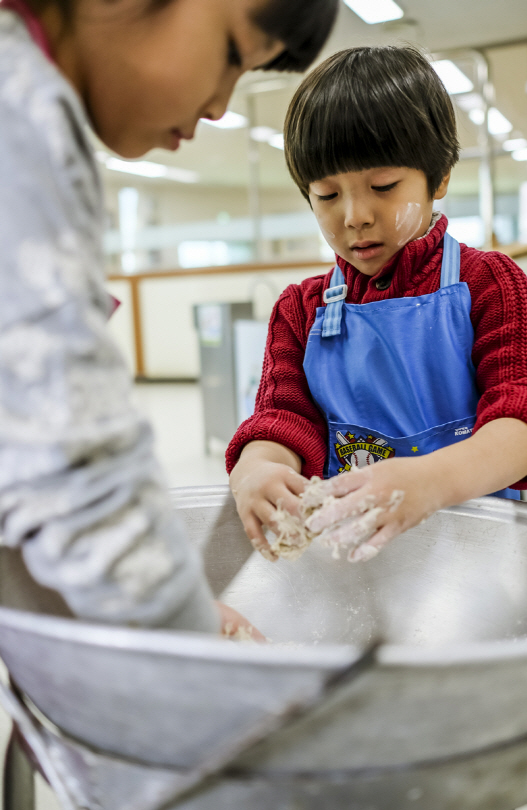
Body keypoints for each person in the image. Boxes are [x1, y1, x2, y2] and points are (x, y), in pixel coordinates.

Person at [0, 0, 338, 634]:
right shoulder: (19, 120)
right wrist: (192, 645)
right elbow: (74, 469)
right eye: (233, 54)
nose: (219, 106)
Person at [227, 46, 527, 563]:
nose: (355, 216)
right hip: (357, 559)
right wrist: (257, 468)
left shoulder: (491, 284)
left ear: (438, 178)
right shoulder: (299, 310)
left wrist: (427, 482)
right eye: (327, 196)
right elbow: (283, 418)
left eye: (383, 186)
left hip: (477, 556)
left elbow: (522, 424)